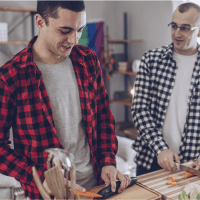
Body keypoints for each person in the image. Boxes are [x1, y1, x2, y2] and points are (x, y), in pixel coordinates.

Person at [0, 1, 130, 199]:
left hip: (96, 187)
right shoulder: (10, 76)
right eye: (65, 30)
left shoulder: (88, 60)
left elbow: (103, 116)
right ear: (40, 22)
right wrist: (41, 178)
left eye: (79, 30)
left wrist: (108, 162)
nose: (74, 40)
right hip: (48, 194)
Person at [132, 2, 200, 176]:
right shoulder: (151, 60)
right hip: (152, 158)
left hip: (192, 165)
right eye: (174, 26)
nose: (177, 33)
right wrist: (161, 148)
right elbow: (140, 110)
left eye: (185, 28)